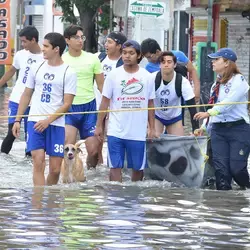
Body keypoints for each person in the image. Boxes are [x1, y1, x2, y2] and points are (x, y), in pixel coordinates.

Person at [12, 32, 77, 186]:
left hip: (55, 124)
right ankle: (38, 204)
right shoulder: (36, 67)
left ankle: (49, 201)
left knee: (55, 169)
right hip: (34, 121)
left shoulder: (69, 72)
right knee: (38, 162)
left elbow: (67, 104)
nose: (43, 49)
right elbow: (26, 95)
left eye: (46, 46)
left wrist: (48, 120)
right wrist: (17, 120)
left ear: (56, 49)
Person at [94, 40, 156, 182]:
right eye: (124, 53)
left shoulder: (147, 76)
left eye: (131, 53)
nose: (127, 56)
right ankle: (116, 200)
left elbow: (151, 103)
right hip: (116, 130)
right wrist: (99, 126)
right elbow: (104, 102)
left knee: (138, 170)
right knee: (115, 167)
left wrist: (152, 128)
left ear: (139, 55)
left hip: (137, 132)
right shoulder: (113, 75)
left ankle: (134, 201)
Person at [194, 48, 250, 190]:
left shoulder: (240, 81)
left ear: (227, 63)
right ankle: (223, 207)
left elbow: (229, 103)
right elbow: (213, 108)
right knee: (222, 174)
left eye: (216, 59)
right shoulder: (216, 85)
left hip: (239, 129)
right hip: (218, 130)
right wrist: (204, 128)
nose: (212, 63)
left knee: (237, 170)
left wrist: (209, 113)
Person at [63, 25, 104, 169]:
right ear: (67, 40)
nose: (80, 40)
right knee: (68, 149)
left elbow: (102, 87)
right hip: (69, 109)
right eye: (76, 37)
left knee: (93, 152)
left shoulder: (92, 59)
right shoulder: (61, 60)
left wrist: (109, 108)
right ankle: (69, 178)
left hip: (89, 108)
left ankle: (89, 177)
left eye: (82, 37)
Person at [0, 26, 43, 155]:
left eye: (24, 41)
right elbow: (12, 71)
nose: (22, 44)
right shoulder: (20, 54)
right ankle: (3, 161)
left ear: (33, 40)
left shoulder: (45, 57)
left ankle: (29, 164)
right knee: (12, 132)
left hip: (34, 102)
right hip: (16, 99)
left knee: (31, 135)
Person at [95, 31, 127, 164]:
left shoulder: (124, 63)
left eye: (109, 42)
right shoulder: (98, 58)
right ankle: (98, 167)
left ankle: (112, 165)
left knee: (112, 138)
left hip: (114, 107)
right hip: (96, 104)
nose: (106, 45)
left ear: (119, 46)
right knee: (96, 140)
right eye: (106, 42)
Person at [153, 51, 199, 136]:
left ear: (174, 65)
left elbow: (192, 107)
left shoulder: (183, 82)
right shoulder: (152, 78)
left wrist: (195, 130)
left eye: (169, 62)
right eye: (163, 62)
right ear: (160, 65)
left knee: (177, 145)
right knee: (153, 142)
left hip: (174, 117)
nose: (166, 64)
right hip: (157, 116)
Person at [140, 38, 200, 103]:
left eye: (149, 57)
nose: (148, 60)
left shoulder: (178, 56)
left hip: (181, 100)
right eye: (146, 58)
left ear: (157, 52)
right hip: (162, 102)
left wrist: (196, 92)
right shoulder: (149, 68)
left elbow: (192, 70)